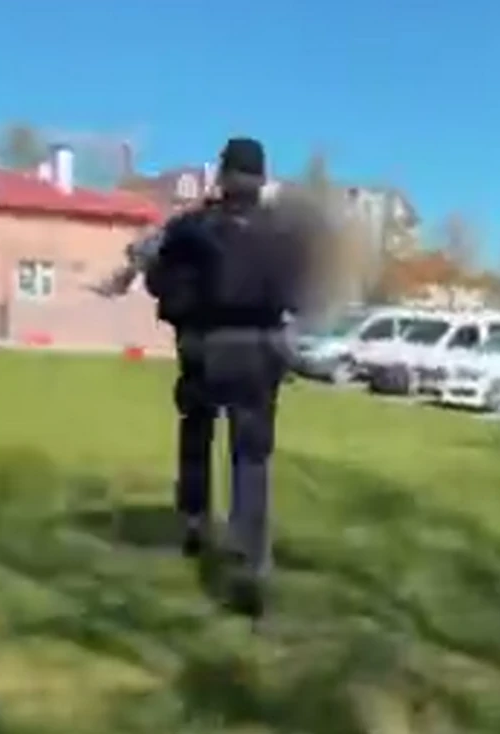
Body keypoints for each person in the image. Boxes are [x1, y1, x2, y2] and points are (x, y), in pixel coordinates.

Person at [101, 137, 314, 618]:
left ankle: (196, 521)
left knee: (196, 432)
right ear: (261, 179)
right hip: (260, 348)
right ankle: (251, 559)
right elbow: (300, 298)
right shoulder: (284, 232)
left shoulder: (192, 226)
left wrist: (135, 279)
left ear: (222, 175)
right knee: (251, 455)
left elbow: (152, 266)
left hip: (203, 344)